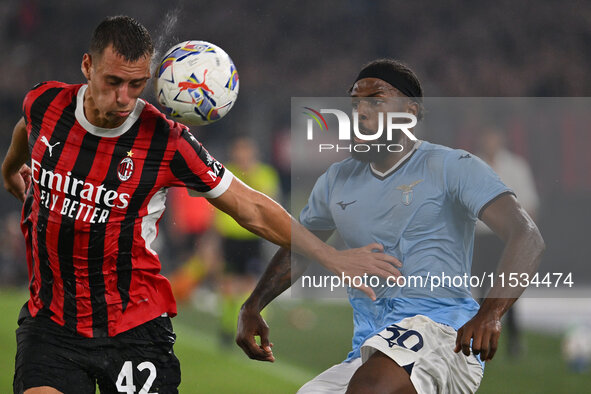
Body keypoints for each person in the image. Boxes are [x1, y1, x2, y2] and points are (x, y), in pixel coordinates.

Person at [1, 17, 400, 394]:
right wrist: (12, 166)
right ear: (87, 66)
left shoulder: (167, 141)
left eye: (136, 85)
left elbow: (251, 208)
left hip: (133, 329)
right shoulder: (45, 101)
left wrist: (332, 257)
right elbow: (26, 125)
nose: (123, 98)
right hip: (50, 322)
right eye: (113, 82)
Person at [236, 59, 545, 393]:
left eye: (376, 101)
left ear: (409, 112)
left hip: (444, 334)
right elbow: (301, 248)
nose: (361, 112)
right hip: (370, 347)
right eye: (356, 104)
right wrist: (252, 304)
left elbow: (527, 236)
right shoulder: (336, 180)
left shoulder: (453, 166)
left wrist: (491, 312)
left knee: (372, 386)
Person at [473, 128, 540, 358]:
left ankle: (513, 341)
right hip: (481, 236)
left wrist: (525, 237)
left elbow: (529, 204)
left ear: (501, 138)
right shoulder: (473, 165)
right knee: (482, 290)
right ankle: (480, 340)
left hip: (507, 238)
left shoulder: (516, 166)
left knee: (508, 288)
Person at [213, 136, 281, 344]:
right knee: (227, 284)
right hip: (229, 238)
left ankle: (258, 329)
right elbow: (213, 204)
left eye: (246, 150)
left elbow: (268, 200)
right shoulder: (225, 171)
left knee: (253, 284)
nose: (242, 155)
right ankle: (226, 329)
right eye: (239, 150)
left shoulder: (264, 173)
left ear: (253, 153)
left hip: (254, 238)